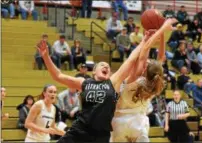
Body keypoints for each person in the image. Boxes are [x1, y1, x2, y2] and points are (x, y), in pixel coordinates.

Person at [37, 18, 176, 143]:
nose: (106, 66)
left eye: (108, 66)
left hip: (102, 135)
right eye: (102, 65)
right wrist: (46, 57)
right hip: (80, 130)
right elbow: (59, 76)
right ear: (93, 71)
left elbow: (133, 58)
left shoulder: (113, 82)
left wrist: (145, 41)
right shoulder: (84, 82)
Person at [111, 19, 177, 142]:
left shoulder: (134, 79)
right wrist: (161, 34)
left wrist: (160, 29)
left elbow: (144, 50)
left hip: (119, 122)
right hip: (139, 123)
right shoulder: (155, 85)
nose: (146, 61)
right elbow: (161, 57)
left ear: (145, 69)